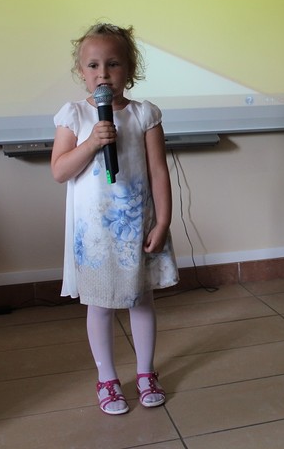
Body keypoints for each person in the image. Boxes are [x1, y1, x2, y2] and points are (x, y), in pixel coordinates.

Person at [51, 21, 178, 415]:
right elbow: (59, 170)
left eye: (113, 64)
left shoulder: (144, 114)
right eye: (93, 65)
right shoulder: (74, 115)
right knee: (101, 304)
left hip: (136, 225)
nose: (102, 74)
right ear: (81, 71)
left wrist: (163, 222)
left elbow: (159, 172)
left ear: (130, 69)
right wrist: (92, 142)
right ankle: (107, 378)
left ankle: (145, 372)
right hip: (95, 235)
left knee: (141, 299)